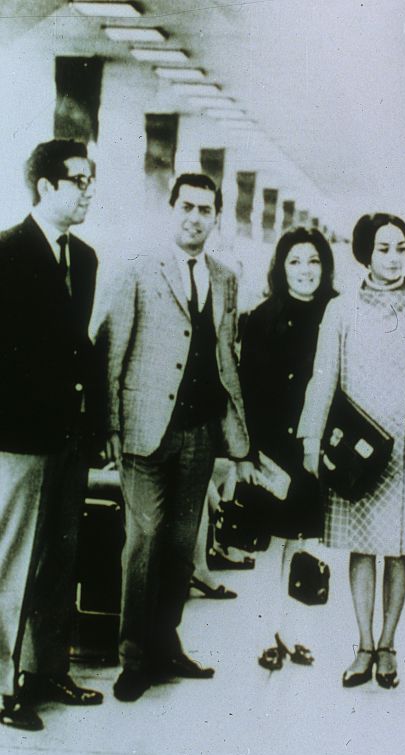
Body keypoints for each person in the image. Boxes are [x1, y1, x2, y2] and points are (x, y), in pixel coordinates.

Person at [92, 173, 249, 702]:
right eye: (187, 206)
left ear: (216, 217)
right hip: (143, 432)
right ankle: (133, 657)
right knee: (145, 541)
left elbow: (226, 354)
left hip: (200, 432)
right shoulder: (137, 268)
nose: (195, 217)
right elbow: (110, 350)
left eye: (206, 210)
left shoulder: (225, 278)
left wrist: (235, 431)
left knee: (183, 546)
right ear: (171, 208)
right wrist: (109, 427)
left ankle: (166, 643)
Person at [298, 213, 405, 689]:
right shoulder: (341, 310)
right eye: (383, 248)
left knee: (400, 549)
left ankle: (388, 645)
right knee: (362, 548)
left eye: (401, 246)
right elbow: (323, 376)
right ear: (365, 253)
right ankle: (363, 643)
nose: (394, 256)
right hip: (355, 450)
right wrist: (311, 439)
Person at [0, 139, 103, 732]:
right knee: (12, 561)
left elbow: (77, 348)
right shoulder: (7, 252)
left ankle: (46, 670)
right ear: (46, 186)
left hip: (68, 437)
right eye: (79, 180)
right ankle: (3, 685)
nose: (88, 191)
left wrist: (96, 425)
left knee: (61, 560)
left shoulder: (84, 259)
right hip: (17, 438)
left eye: (91, 181)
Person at [238, 227, 337, 669]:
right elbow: (249, 391)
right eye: (295, 261)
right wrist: (253, 454)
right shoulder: (260, 319)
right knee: (270, 546)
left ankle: (294, 634)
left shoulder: (336, 313)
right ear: (280, 268)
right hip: (274, 450)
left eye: (313, 261)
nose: (305, 271)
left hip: (317, 447)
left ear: (325, 266)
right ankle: (265, 636)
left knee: (304, 545)